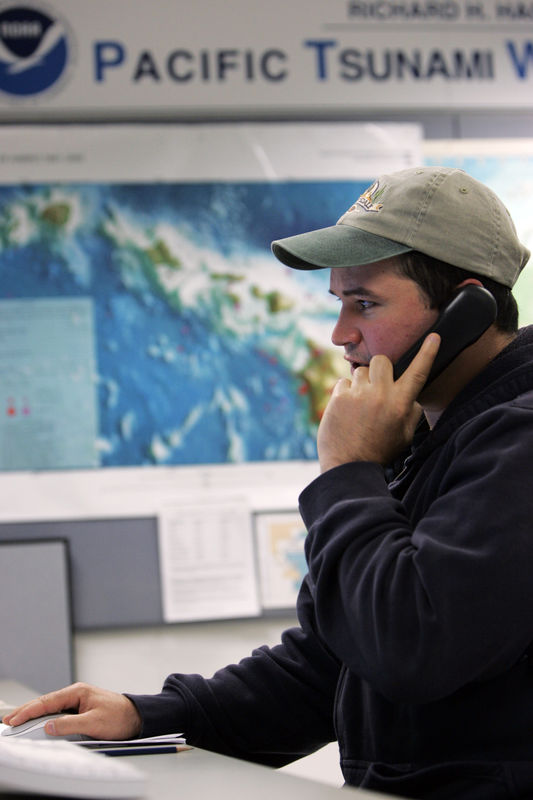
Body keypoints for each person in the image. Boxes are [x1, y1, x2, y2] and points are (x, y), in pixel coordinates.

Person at [4, 165, 533, 799]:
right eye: (339, 303)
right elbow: (334, 664)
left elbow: (410, 645)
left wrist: (349, 472)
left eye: (365, 303)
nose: (340, 335)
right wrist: (155, 716)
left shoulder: (519, 441)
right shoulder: (425, 438)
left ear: (465, 308)